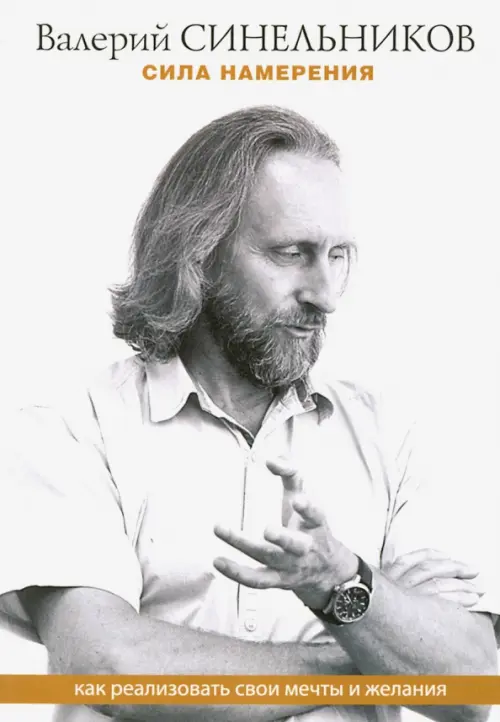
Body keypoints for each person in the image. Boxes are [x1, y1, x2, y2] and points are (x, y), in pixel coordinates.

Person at [0, 105, 498, 722]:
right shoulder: (71, 427)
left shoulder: (399, 433)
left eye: (338, 255)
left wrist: (340, 579)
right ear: (198, 254)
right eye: (292, 253)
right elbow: (108, 669)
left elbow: (472, 688)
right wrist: (368, 643)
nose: (325, 295)